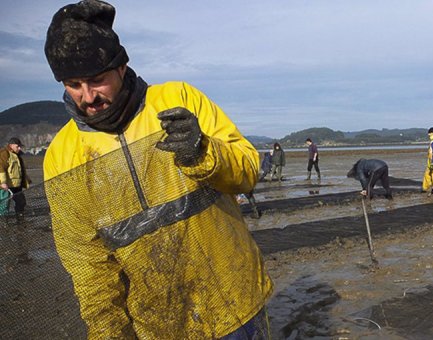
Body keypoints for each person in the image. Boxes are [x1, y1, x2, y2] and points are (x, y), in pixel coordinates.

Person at [42, 1, 271, 338]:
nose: (87, 97)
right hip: (161, 326)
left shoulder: (179, 99)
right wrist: (110, 332)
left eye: (96, 80)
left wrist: (203, 152)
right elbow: (86, 261)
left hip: (235, 307)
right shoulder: (62, 157)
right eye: (73, 84)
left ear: (121, 68)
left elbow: (248, 170)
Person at [0, 137, 31, 218]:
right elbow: (1, 168)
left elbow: (21, 170)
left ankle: (20, 218)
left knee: (21, 202)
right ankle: (3, 222)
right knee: (4, 206)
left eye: (20, 146)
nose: (19, 148)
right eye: (18, 146)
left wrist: (27, 180)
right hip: (7, 186)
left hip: (17, 186)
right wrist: (3, 183)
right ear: (11, 145)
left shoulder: (18, 156)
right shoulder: (4, 153)